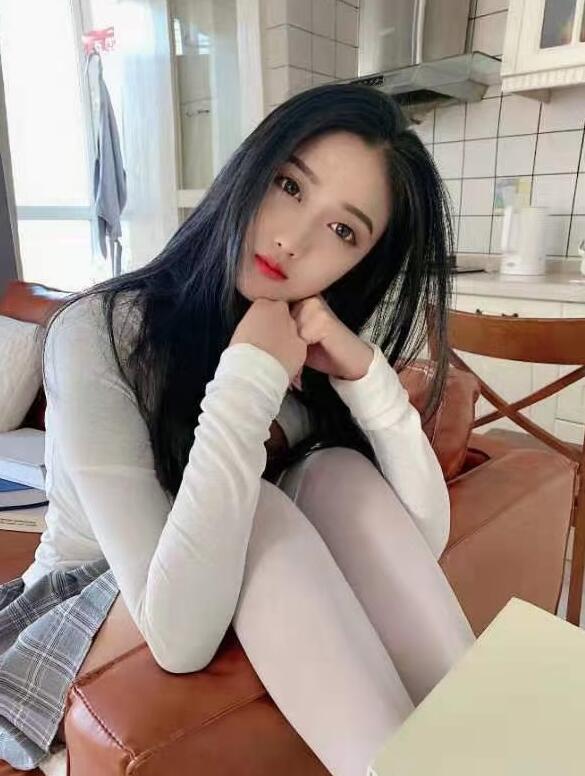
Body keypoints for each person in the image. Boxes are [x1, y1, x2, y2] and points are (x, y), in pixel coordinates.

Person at [2, 83, 475, 776]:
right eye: (290, 185)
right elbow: (179, 637)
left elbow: (417, 539)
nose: (293, 239)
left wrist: (364, 374)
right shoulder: (98, 334)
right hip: (93, 601)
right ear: (251, 169)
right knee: (257, 508)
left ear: (360, 263)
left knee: (335, 471)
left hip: (208, 574)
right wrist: (249, 377)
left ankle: (477, 744)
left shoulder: (307, 343)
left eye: (342, 231)